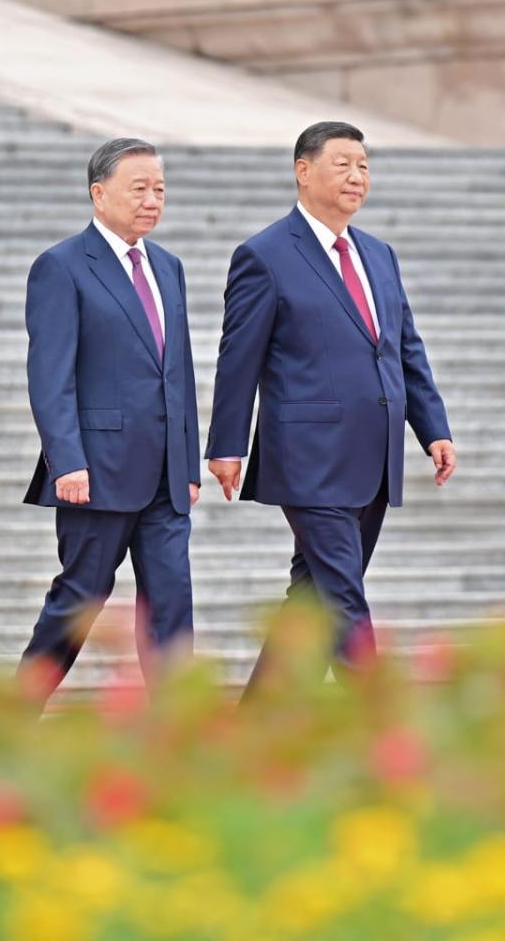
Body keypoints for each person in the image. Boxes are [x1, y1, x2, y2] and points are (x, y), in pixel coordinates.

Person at [204, 121, 456, 693]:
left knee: (313, 597)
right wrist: (226, 445)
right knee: (344, 596)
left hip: (375, 451)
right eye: (342, 163)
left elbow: (403, 346)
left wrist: (431, 427)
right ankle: (385, 723)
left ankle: (258, 727)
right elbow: (238, 357)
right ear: (303, 171)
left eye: (364, 165)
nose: (356, 176)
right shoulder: (264, 255)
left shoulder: (379, 255)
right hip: (309, 457)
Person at [19, 138, 200, 701]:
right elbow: (52, 377)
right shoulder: (62, 267)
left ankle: (178, 730)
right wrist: (66, 461)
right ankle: (13, 714)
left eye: (160, 189)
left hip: (165, 480)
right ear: (99, 194)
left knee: (171, 604)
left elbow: (179, 371)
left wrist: (188, 463)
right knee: (79, 599)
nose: (152, 200)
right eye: (138, 188)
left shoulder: (168, 267)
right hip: (95, 475)